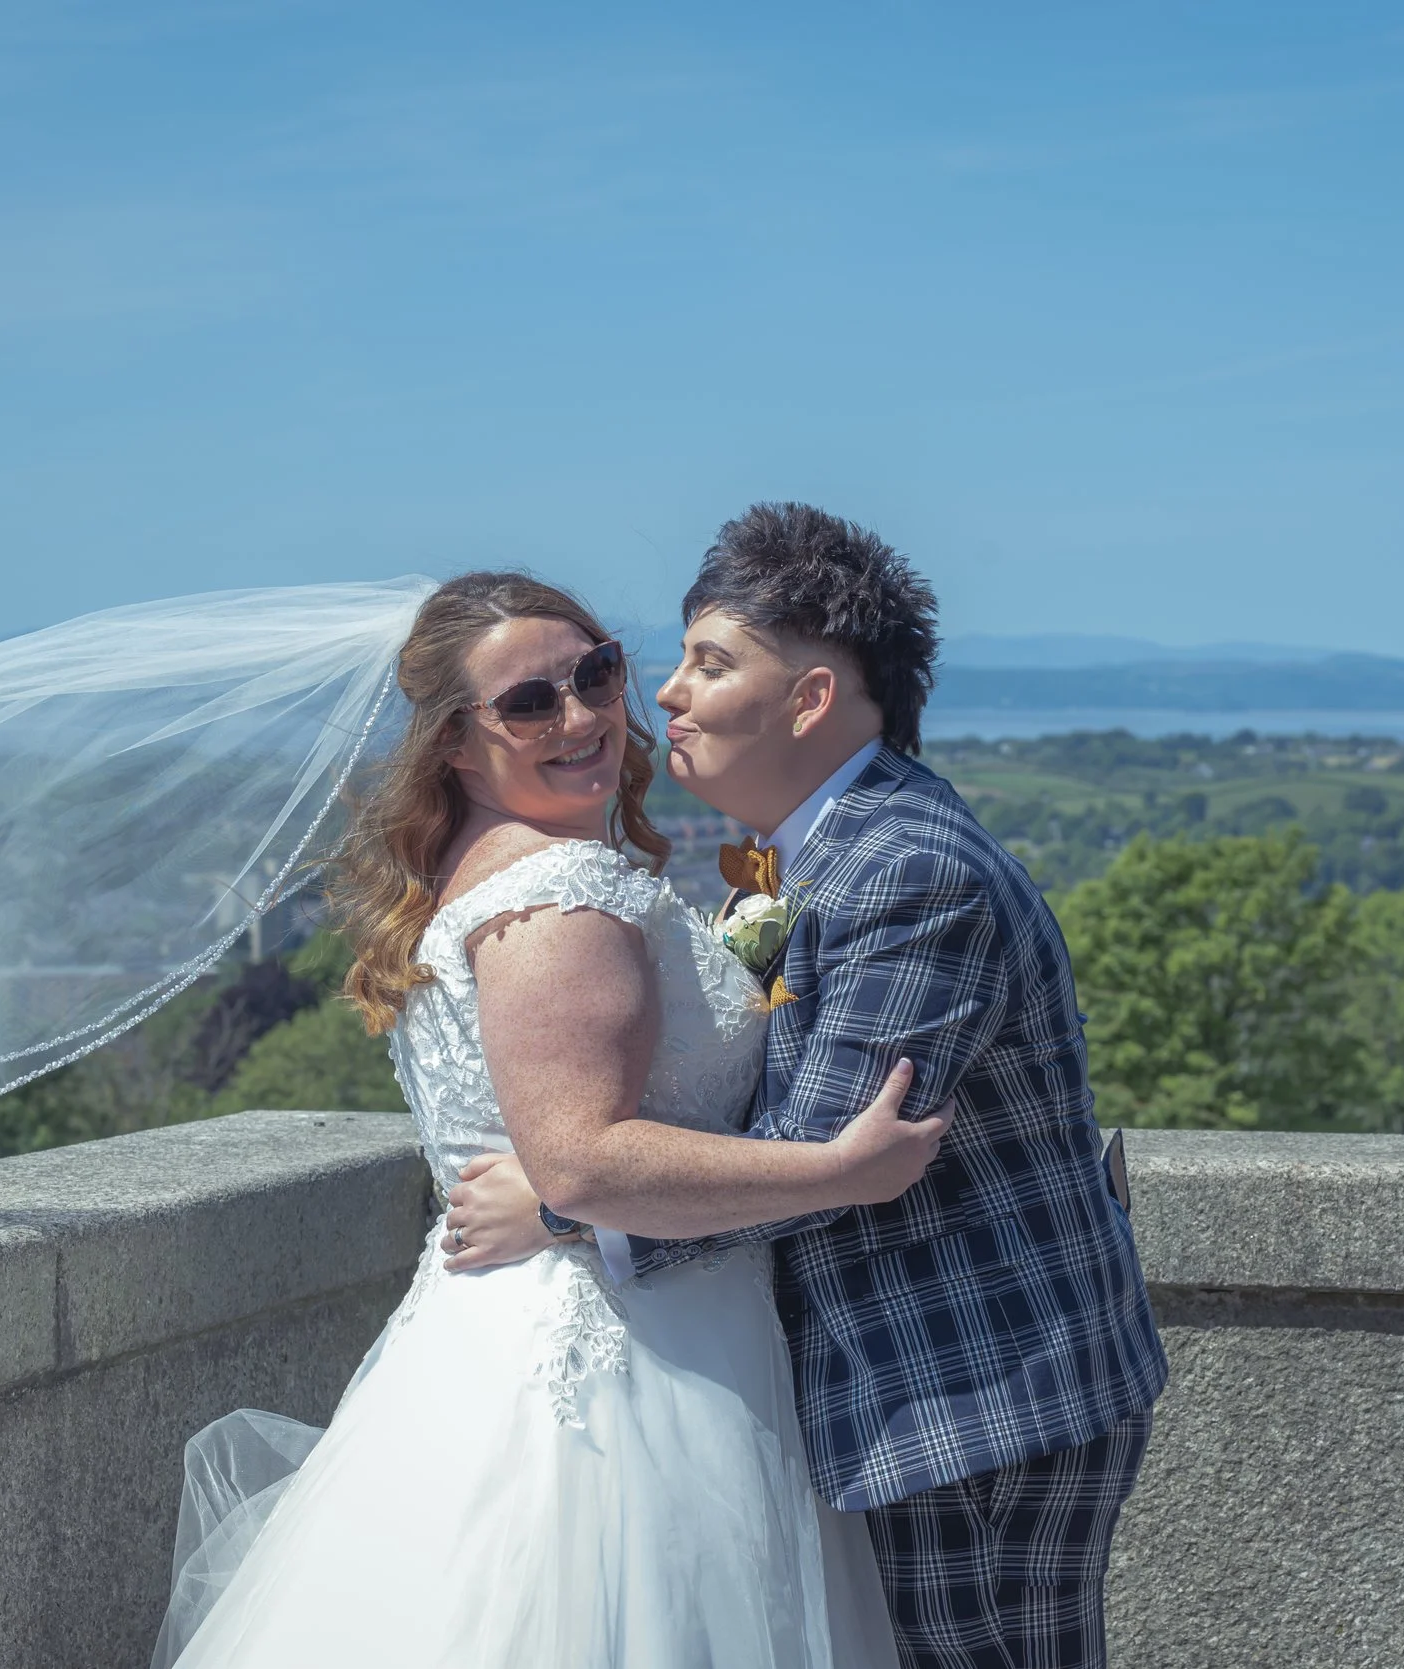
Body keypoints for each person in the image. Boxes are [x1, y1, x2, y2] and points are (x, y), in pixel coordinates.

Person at [154, 570, 941, 1668]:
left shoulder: (493, 867)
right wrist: (839, 1170)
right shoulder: (562, 891)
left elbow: (567, 1154)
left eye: (597, 672)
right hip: (621, 1372)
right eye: (529, 702)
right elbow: (582, 1161)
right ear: (455, 745)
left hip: (534, 1330)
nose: (581, 714)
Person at [448, 505, 1168, 1668]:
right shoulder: (790, 855)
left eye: (710, 661)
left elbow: (829, 1156)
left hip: (972, 1400)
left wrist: (561, 1201)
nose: (662, 696)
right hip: (920, 1391)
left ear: (812, 699)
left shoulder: (907, 870)